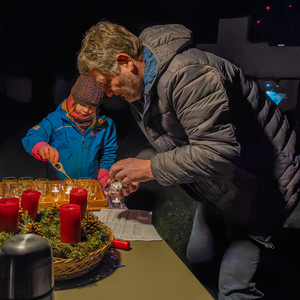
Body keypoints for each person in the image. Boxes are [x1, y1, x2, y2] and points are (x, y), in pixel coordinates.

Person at [77, 21, 300, 299]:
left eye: (106, 83)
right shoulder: (141, 86)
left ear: (125, 62)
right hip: (222, 185)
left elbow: (218, 152)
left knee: (233, 286)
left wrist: (149, 168)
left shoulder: (190, 74)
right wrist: (138, 166)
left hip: (264, 187)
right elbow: (174, 143)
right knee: (198, 256)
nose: (108, 93)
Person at [22, 75, 117, 188]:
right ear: (72, 100)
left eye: (91, 107)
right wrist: (42, 147)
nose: (86, 110)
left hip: (88, 185)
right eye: (82, 104)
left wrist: (104, 176)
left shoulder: (105, 125)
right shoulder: (55, 120)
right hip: (58, 186)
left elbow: (108, 153)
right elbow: (32, 136)